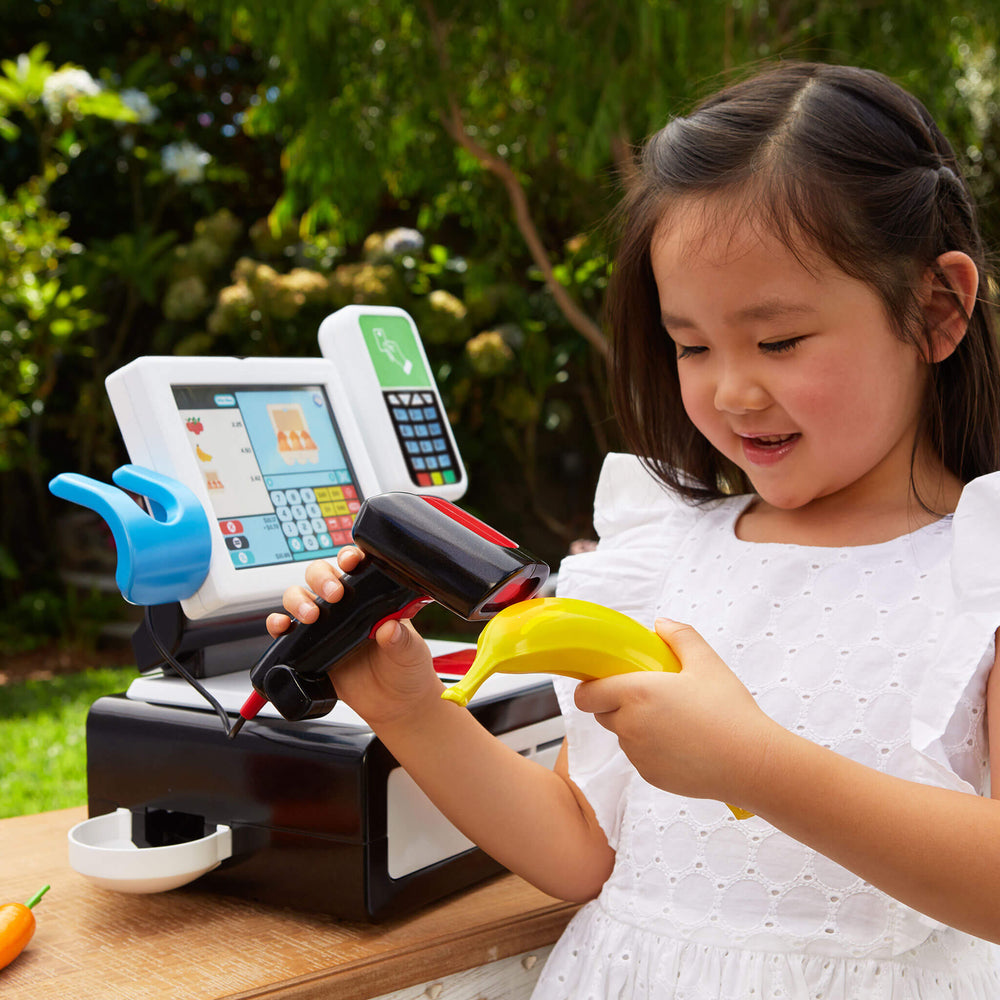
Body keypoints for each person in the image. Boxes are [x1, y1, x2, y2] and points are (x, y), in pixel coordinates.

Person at [268, 62, 1000, 997]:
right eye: (691, 345)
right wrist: (407, 709)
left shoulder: (981, 564)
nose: (731, 390)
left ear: (936, 309)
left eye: (779, 340)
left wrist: (755, 765)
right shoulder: (667, 551)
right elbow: (586, 850)